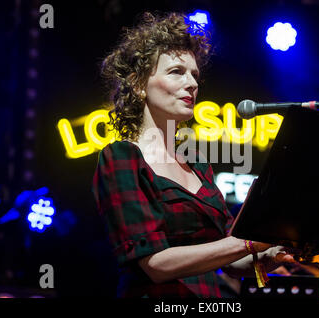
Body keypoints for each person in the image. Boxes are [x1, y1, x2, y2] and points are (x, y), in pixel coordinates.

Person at [92, 11, 295, 298]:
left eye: (195, 75)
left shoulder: (197, 164)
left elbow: (230, 259)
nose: (192, 83)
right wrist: (247, 244)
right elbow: (155, 264)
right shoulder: (122, 157)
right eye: (177, 72)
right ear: (138, 85)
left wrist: (268, 254)